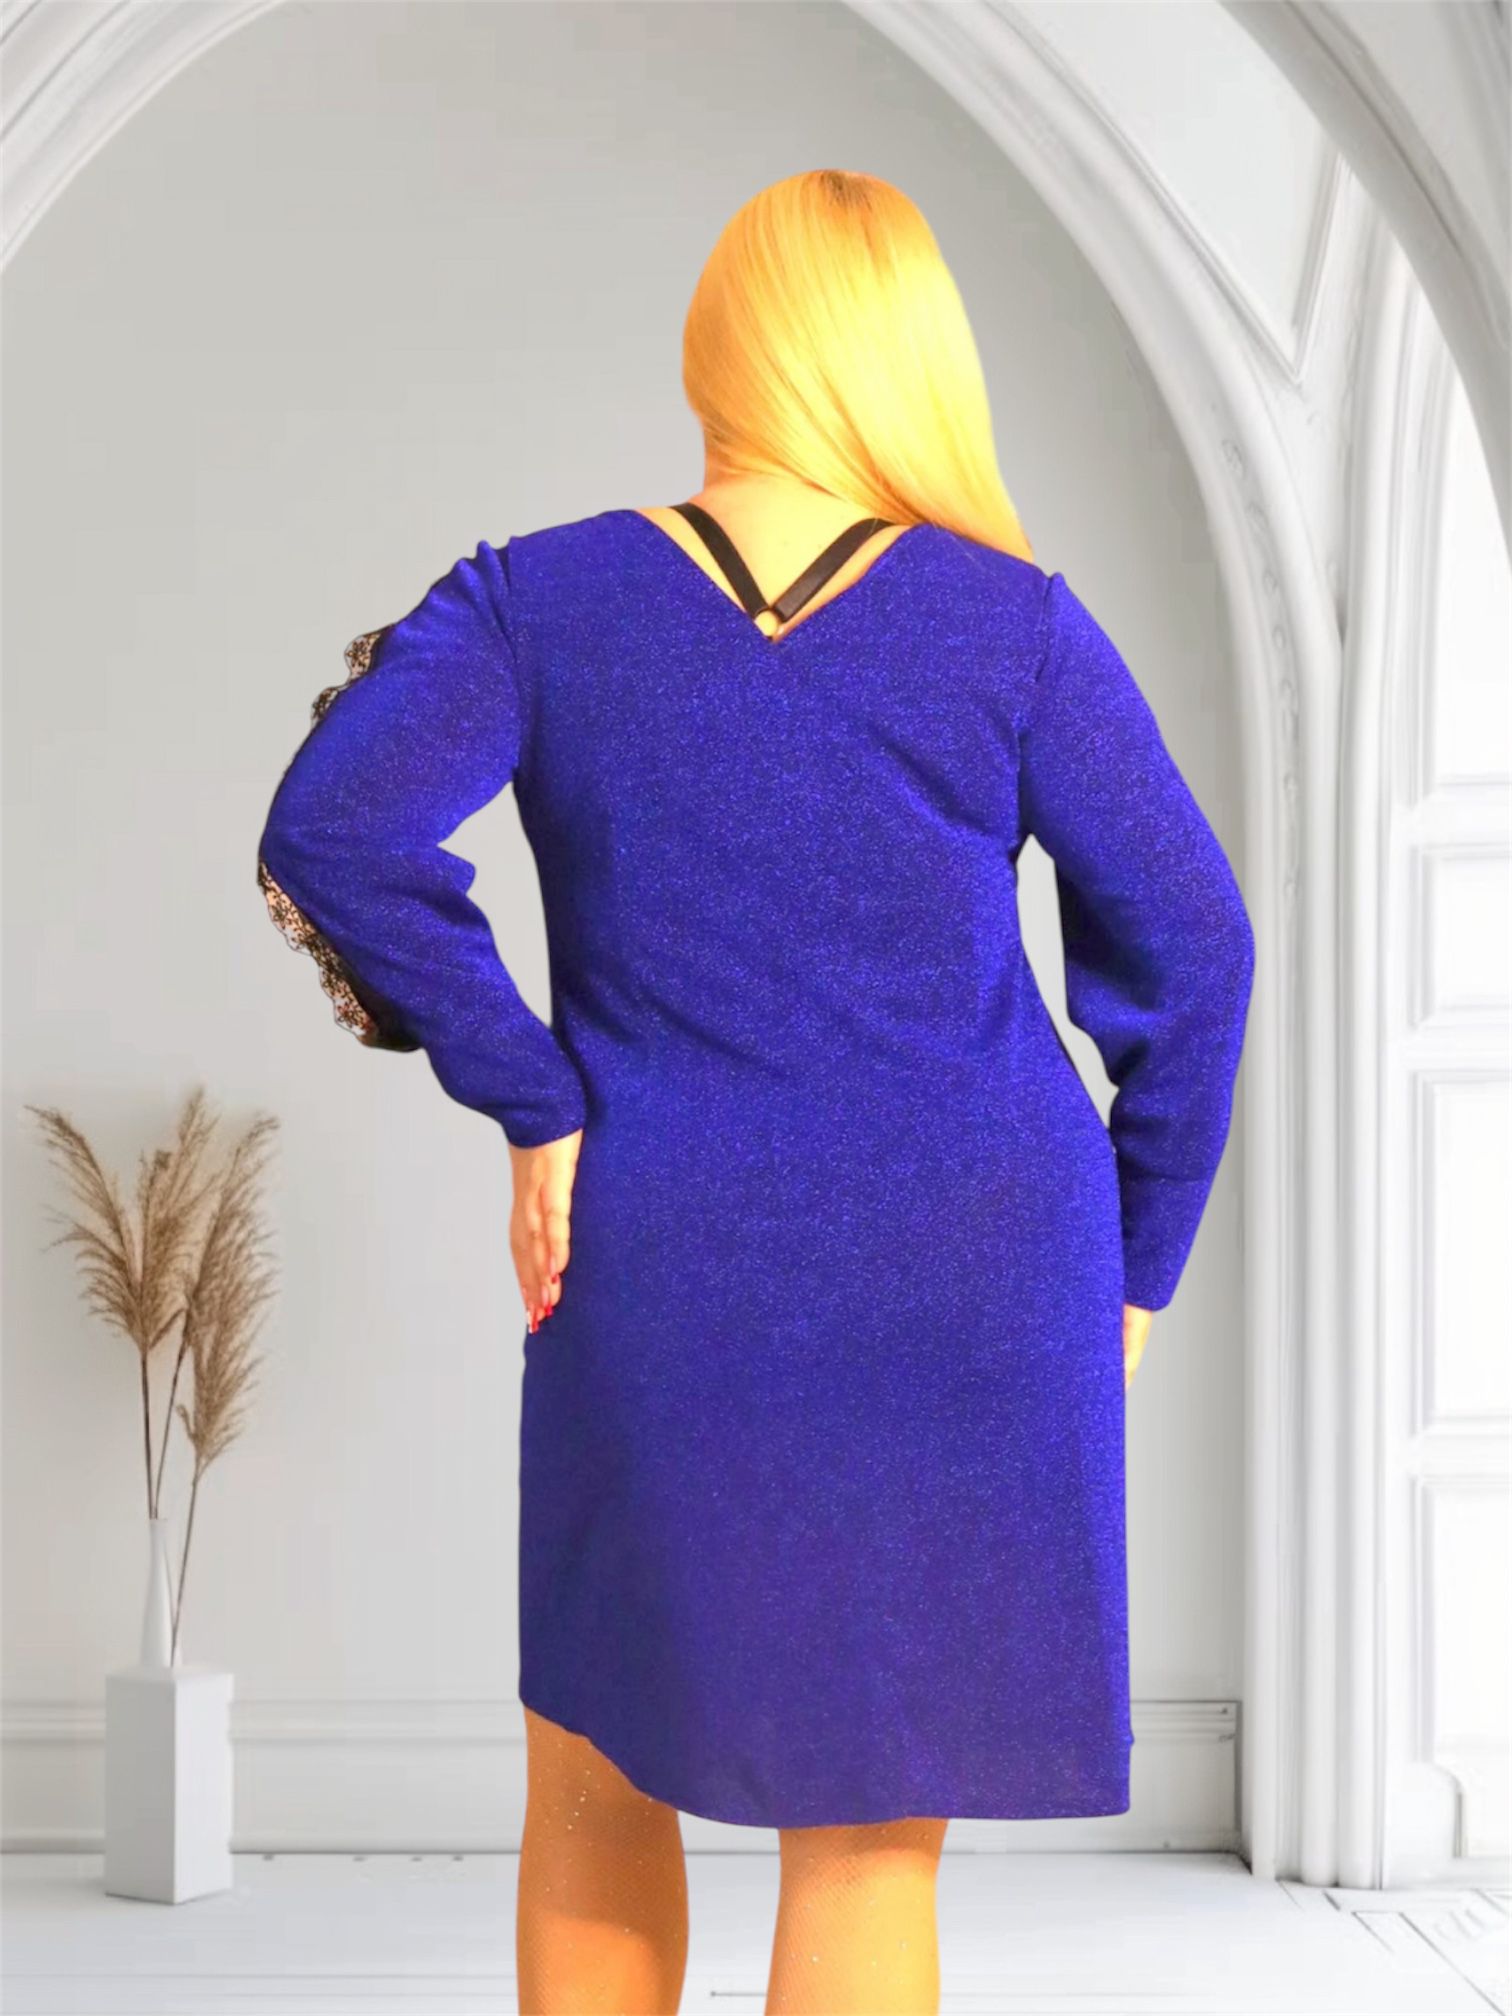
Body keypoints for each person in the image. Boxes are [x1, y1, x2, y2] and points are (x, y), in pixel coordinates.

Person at [255, 168, 1256, 2016]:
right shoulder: (1016, 625)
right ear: (910, 359)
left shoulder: (539, 598)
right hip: (973, 1270)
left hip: (668, 1250)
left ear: (714, 346)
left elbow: (333, 828)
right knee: (870, 1837)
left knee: (595, 1781)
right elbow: (1199, 950)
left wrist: (535, 1099)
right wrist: (1137, 1257)